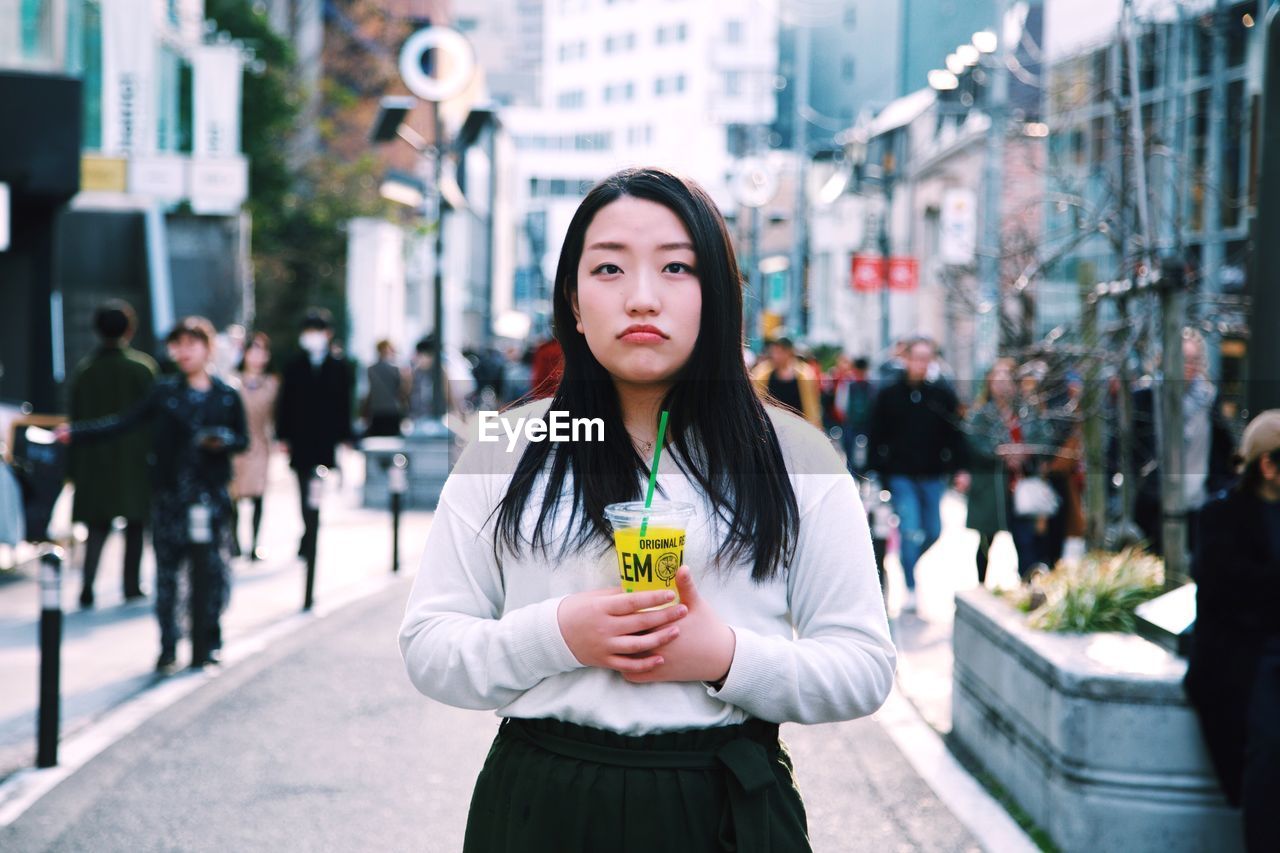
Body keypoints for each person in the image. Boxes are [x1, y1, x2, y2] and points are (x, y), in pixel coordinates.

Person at [399, 167, 895, 852]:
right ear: (573, 302)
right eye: (608, 268)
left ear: (716, 297)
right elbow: (429, 645)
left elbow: (864, 665)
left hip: (726, 806)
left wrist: (724, 657)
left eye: (676, 268)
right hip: (544, 807)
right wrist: (557, 634)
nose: (641, 297)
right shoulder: (507, 447)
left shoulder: (794, 454)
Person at [59, 317, 248, 671]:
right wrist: (77, 432)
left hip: (212, 498)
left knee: (214, 573)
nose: (185, 351)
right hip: (170, 496)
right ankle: (169, 644)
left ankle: (209, 638)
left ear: (208, 348)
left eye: (193, 344)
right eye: (179, 345)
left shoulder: (226, 394)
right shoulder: (164, 392)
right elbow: (124, 422)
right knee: (168, 576)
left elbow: (243, 439)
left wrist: (222, 440)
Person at [1184, 409, 1280, 852]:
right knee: (1268, 753)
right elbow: (1228, 591)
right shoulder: (1220, 517)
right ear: (1268, 465)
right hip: (1249, 658)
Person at [867, 337, 968, 611]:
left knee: (934, 530)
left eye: (927, 358)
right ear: (906, 359)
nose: (922, 364)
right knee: (910, 529)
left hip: (933, 475)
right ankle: (911, 585)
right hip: (900, 474)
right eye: (917, 358)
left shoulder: (942, 394)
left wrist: (960, 467)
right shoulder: (889, 394)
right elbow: (875, 434)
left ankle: (907, 561)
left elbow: (955, 433)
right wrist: (875, 470)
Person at [67, 301, 157, 608]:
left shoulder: (86, 371)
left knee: (97, 525)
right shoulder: (143, 368)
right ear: (130, 329)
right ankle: (131, 585)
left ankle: (87, 585)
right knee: (136, 523)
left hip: (94, 461)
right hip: (135, 461)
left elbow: (75, 421)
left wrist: (72, 468)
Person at [1130, 330, 1236, 555]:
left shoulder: (1210, 399)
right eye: (1183, 359)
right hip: (1152, 508)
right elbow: (1129, 450)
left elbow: (1224, 454)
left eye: (1195, 359)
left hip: (1198, 507)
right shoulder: (1145, 397)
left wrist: (1219, 493)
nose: (1190, 366)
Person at [275, 309, 355, 560]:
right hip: (300, 437)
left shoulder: (339, 366)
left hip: (325, 438)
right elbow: (284, 403)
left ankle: (310, 534)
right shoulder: (293, 365)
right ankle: (309, 533)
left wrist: (345, 435)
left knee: (317, 486)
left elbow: (345, 403)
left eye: (317, 331)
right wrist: (283, 435)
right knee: (302, 487)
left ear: (328, 334)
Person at [964, 358, 1033, 585]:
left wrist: (1024, 453)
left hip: (1021, 486)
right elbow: (973, 443)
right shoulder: (981, 414)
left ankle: (1026, 583)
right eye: (998, 377)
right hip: (991, 486)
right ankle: (981, 584)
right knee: (986, 539)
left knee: (1025, 539)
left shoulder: (1026, 413)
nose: (1003, 384)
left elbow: (1041, 436)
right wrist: (1000, 453)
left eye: (1007, 378)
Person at [230, 332, 279, 561]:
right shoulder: (232, 382)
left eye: (262, 351)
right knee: (234, 494)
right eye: (253, 350)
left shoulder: (272, 384)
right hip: (237, 447)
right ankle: (235, 542)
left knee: (259, 495)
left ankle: (255, 544)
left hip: (261, 444)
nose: (257, 356)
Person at [750, 337, 822, 428]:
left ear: (789, 352)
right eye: (773, 351)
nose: (775, 355)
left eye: (779, 352)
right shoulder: (762, 373)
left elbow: (812, 408)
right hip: (772, 428)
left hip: (799, 428)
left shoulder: (805, 374)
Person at [837, 356, 876, 476]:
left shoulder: (850, 383)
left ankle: (862, 472)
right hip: (853, 422)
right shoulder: (853, 383)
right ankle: (855, 473)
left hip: (861, 422)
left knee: (861, 449)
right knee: (850, 450)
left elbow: (840, 403)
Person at [364, 339, 407, 437]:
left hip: (377, 410)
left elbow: (369, 393)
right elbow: (401, 392)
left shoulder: (371, 369)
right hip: (391, 411)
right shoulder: (396, 369)